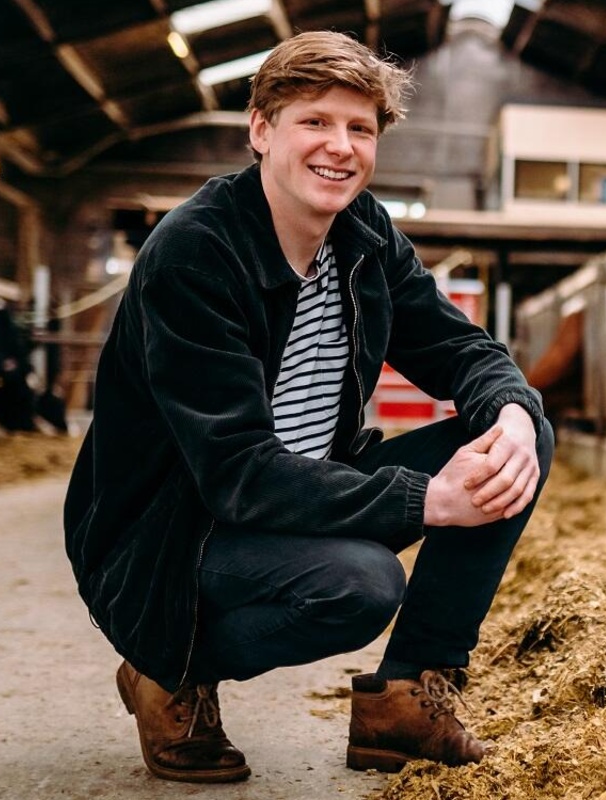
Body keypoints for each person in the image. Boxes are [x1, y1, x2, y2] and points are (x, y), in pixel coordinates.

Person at [63, 31, 551, 784]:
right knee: (359, 586)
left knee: (525, 437)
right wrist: (427, 499)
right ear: (261, 131)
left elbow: (462, 350)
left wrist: (512, 412)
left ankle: (406, 702)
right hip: (173, 530)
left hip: (297, 491)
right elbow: (237, 473)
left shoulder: (364, 237)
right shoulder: (195, 252)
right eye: (315, 122)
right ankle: (167, 670)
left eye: (360, 128)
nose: (340, 147)